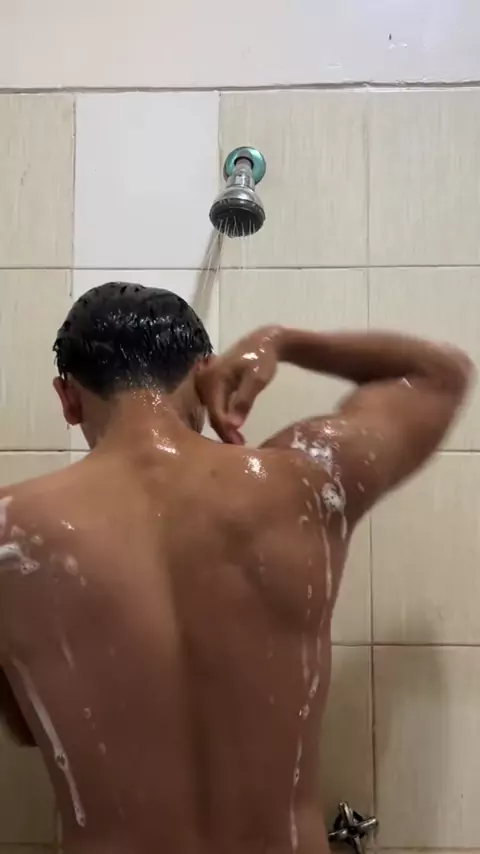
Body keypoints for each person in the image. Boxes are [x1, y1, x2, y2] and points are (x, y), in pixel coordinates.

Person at [0, 282, 472, 854]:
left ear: (67, 398)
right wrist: (284, 341)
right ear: (206, 375)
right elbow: (439, 375)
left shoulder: (10, 531)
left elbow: (27, 727)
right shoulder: (304, 481)